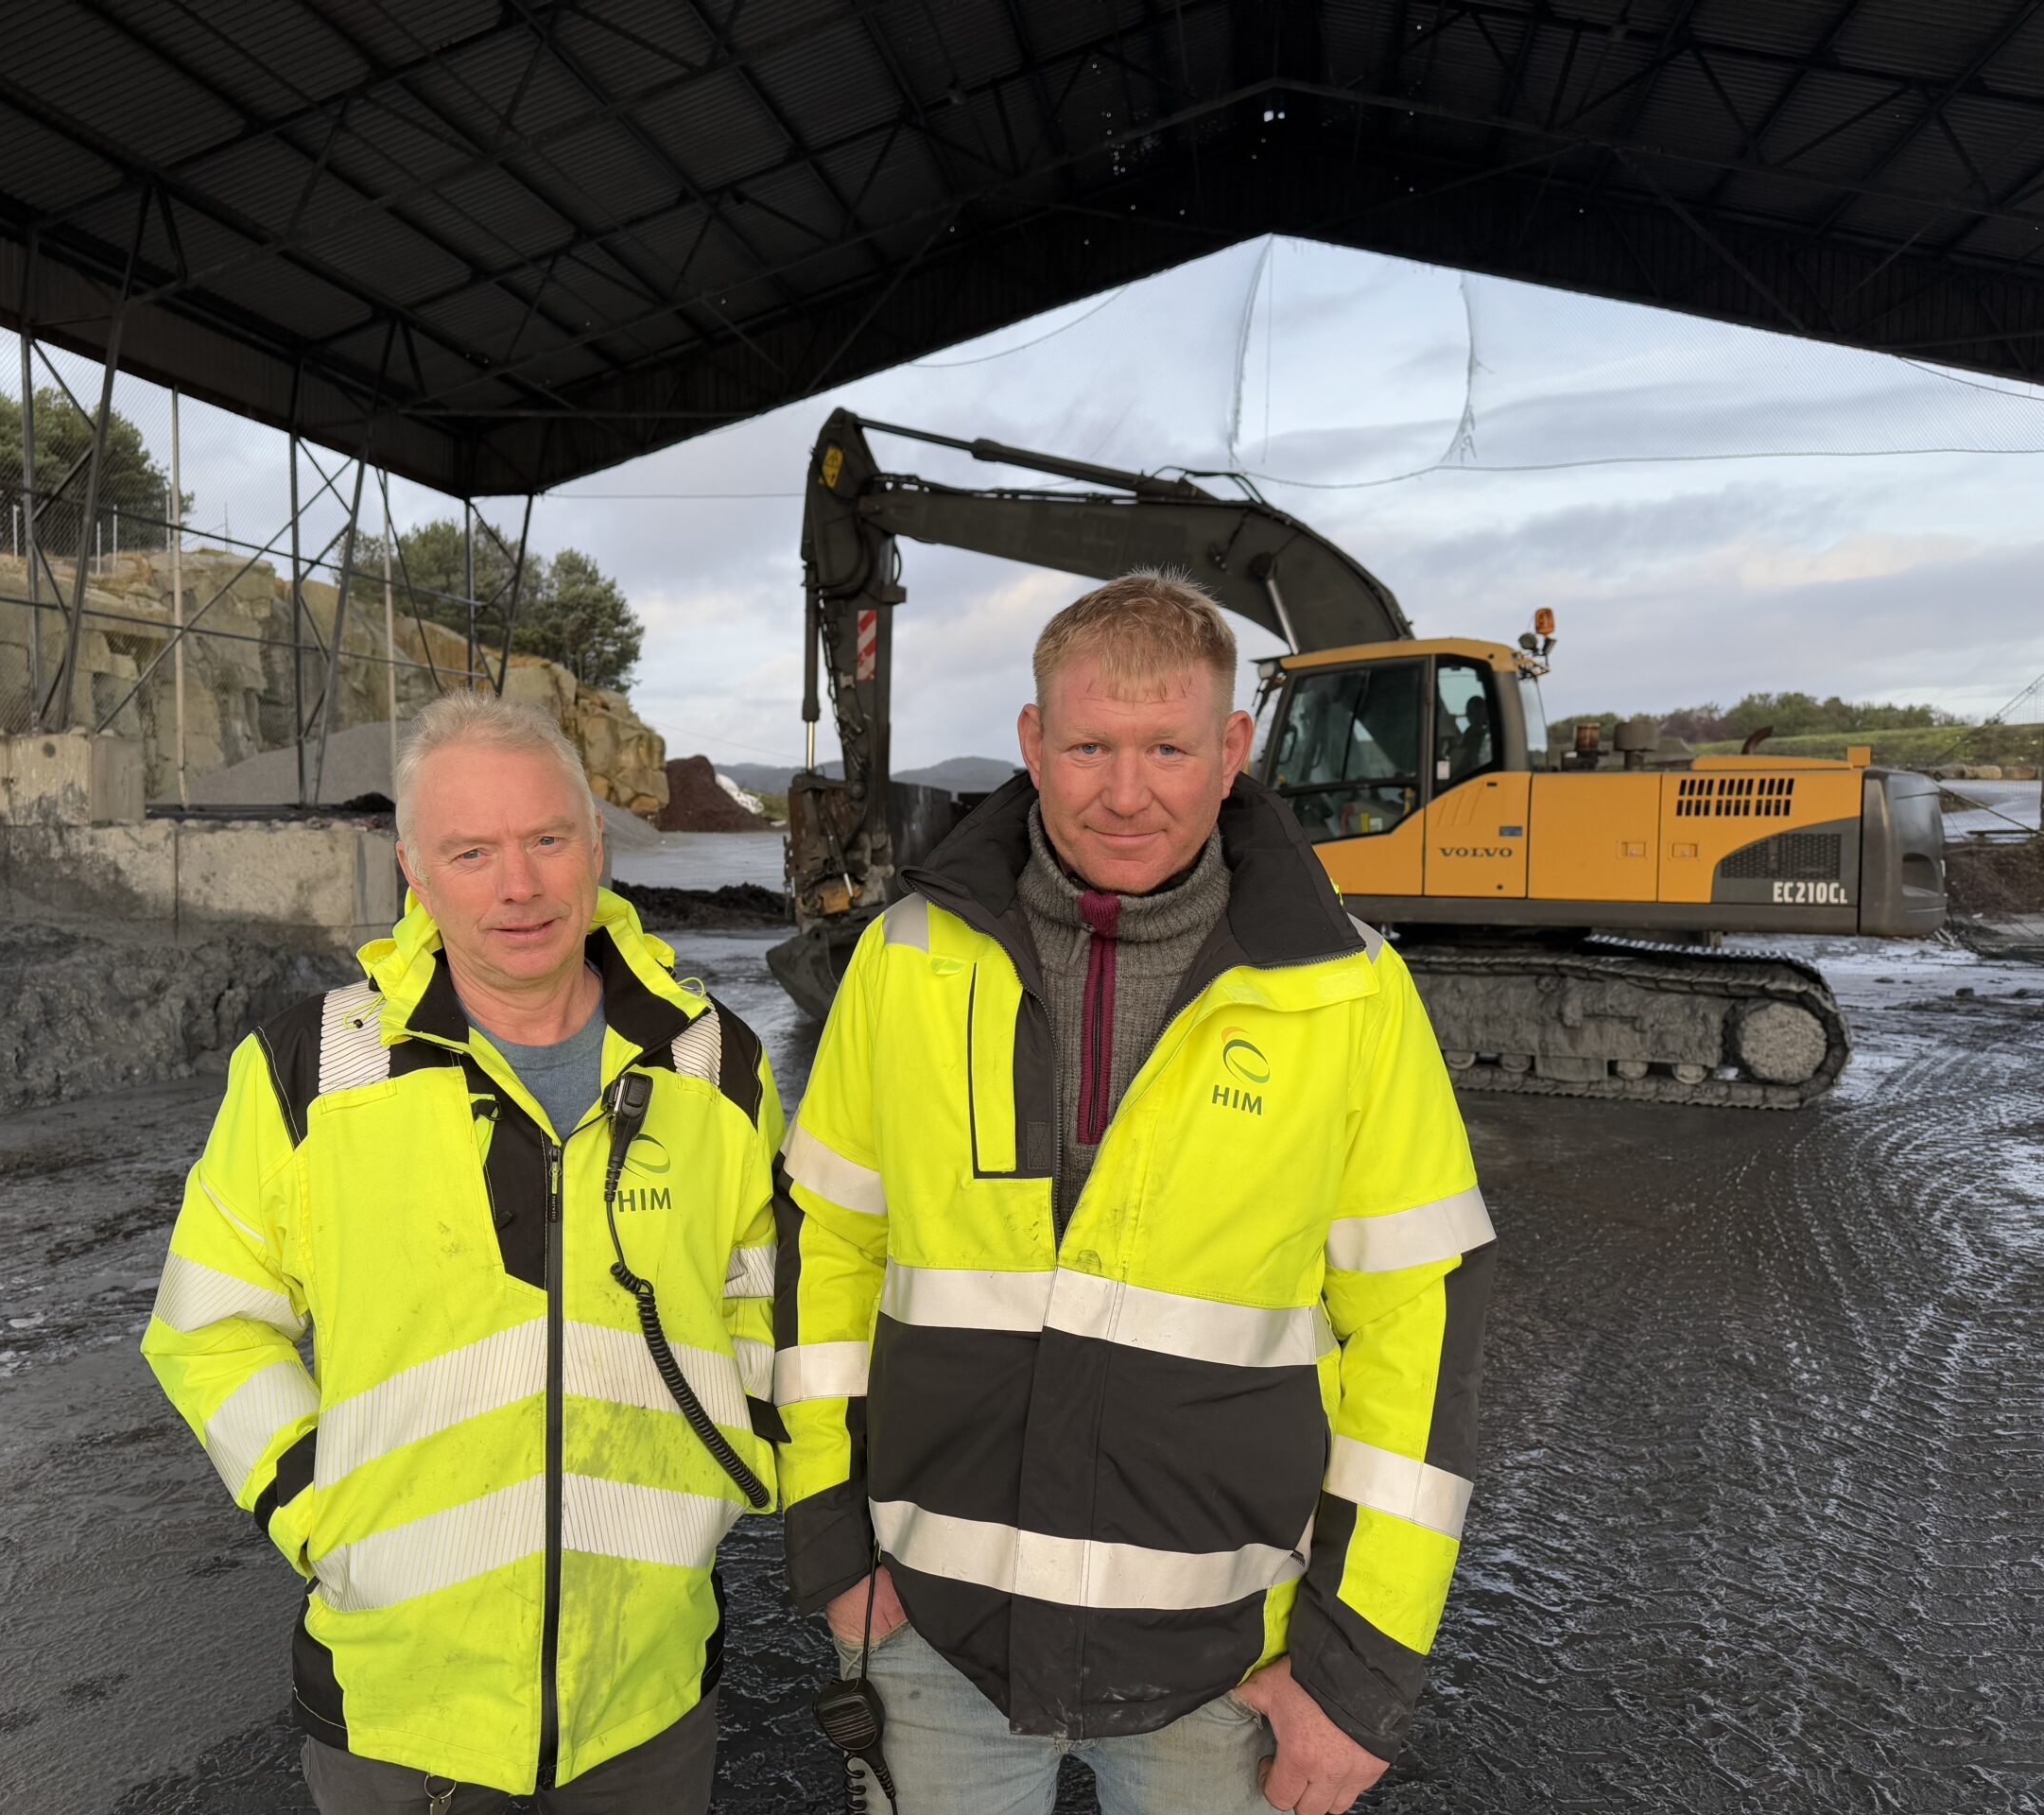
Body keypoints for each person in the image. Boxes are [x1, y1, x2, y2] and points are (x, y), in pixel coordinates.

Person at [772, 571, 1495, 1815]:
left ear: (1230, 750)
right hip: (935, 1637)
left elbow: (1416, 1330)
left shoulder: (1349, 995)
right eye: (1091, 745)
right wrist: (833, 1545)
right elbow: (825, 1256)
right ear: (1032, 744)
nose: (1125, 790)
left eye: (1166, 747)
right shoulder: (904, 963)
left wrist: (1359, 1673)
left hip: (1228, 1665)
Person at [144, 693, 786, 1813]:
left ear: (596, 845)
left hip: (647, 1701)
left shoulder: (710, 1064)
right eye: (471, 851)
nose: (518, 886)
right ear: (414, 871)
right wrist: (318, 1506)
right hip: (402, 1717)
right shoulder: (314, 1069)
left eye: (545, 840)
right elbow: (209, 1325)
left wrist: (726, 1469)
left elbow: (767, 1296)